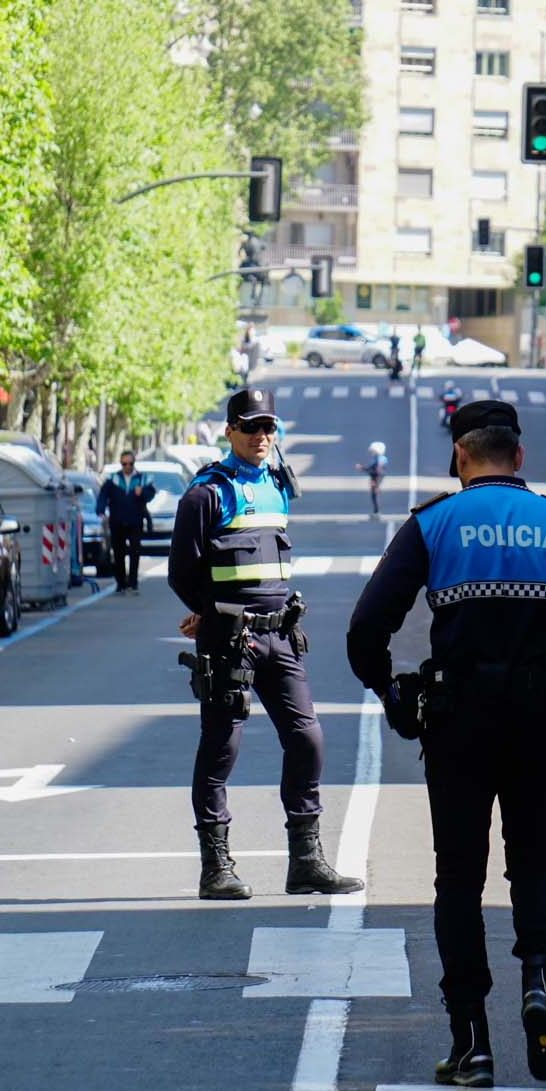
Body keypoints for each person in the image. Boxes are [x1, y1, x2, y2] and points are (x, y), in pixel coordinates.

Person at [347, 399, 546, 1089]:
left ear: (460, 456)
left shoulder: (433, 523)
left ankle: (471, 1041)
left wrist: (391, 690)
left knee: (459, 878)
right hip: (539, 722)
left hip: (456, 724)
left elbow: (366, 629)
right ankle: (538, 979)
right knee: (534, 865)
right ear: (520, 455)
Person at [169, 386, 360, 902]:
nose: (261, 435)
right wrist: (211, 613)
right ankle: (216, 868)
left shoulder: (278, 486)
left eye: (268, 427)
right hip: (231, 639)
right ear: (229, 430)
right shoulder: (206, 493)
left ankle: (306, 862)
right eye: (251, 426)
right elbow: (181, 572)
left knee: (307, 738)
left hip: (280, 633)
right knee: (221, 747)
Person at [96, 450, 156, 593]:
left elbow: (151, 495)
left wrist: (142, 492)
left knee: (135, 552)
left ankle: (133, 583)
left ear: (134, 463)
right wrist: (101, 510)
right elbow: (103, 496)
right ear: (121, 464)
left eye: (130, 463)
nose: (127, 466)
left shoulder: (143, 479)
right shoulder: (113, 480)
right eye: (124, 464)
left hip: (135, 521)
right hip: (117, 521)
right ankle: (121, 583)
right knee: (118, 553)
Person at [356, 440, 389, 518]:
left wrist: (375, 480)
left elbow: (377, 470)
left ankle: (377, 512)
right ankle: (376, 511)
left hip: (377, 477)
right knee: (374, 494)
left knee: (375, 494)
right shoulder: (378, 458)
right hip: (376, 477)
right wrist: (362, 468)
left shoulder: (379, 459)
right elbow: (371, 468)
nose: (371, 452)